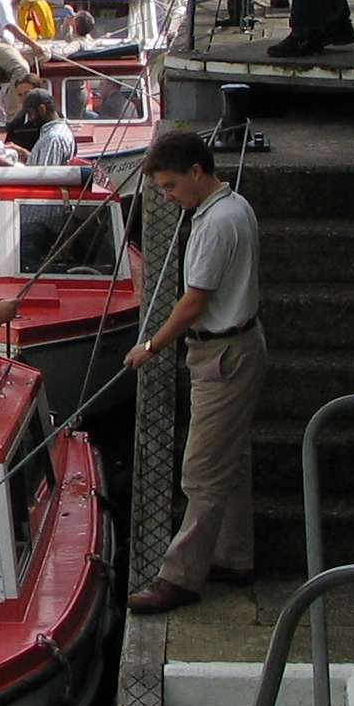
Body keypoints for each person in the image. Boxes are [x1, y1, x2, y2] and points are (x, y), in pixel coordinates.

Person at [123, 129, 266, 613]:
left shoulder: (214, 223)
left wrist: (151, 345)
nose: (166, 196)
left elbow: (193, 301)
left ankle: (179, 577)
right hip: (237, 344)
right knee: (231, 461)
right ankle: (234, 555)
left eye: (169, 186)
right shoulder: (231, 208)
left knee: (201, 470)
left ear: (197, 173)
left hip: (222, 352)